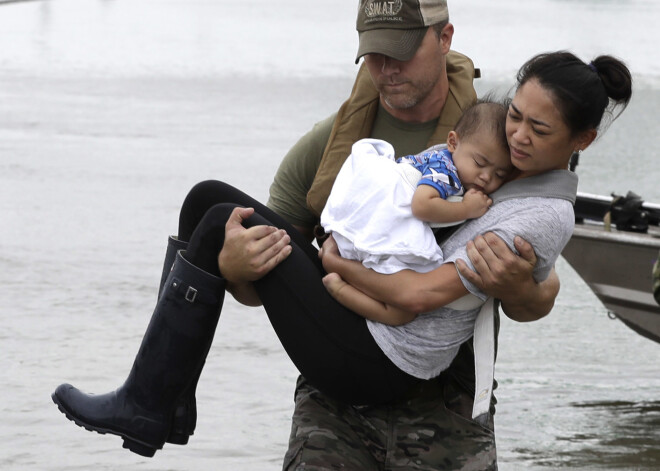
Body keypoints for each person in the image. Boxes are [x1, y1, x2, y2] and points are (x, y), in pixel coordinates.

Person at [51, 1, 561, 469]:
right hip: (337, 390)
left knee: (217, 211)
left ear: (445, 38)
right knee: (207, 201)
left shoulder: (496, 141)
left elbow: (539, 291)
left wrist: (518, 286)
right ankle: (161, 400)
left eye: (401, 53)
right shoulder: (332, 142)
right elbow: (272, 285)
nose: (387, 68)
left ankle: (151, 403)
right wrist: (233, 269)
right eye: (375, 53)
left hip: (442, 401)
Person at [320, 100, 513, 325]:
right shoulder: (445, 170)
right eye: (480, 162)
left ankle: (344, 284)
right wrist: (467, 209)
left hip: (365, 221)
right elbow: (422, 206)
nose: (486, 177)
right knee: (401, 313)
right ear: (452, 142)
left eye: (500, 174)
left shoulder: (444, 162)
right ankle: (339, 289)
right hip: (380, 223)